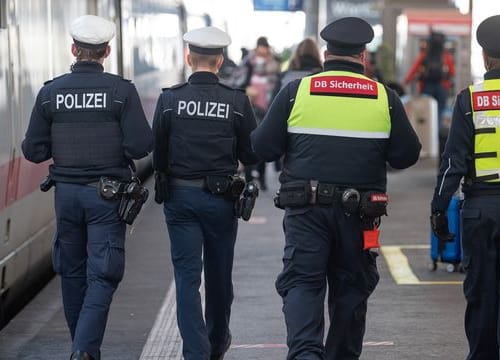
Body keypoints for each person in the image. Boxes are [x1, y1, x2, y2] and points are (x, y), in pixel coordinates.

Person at [251, 17, 421, 360]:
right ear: (363, 56)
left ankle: (305, 355)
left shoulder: (296, 92)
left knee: (302, 283)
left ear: (327, 53)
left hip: (306, 212)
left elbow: (263, 148)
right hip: (359, 216)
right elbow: (407, 155)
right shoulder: (382, 97)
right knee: (351, 290)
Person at [21, 15, 153, 360]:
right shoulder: (121, 91)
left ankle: (81, 347)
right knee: (103, 273)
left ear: (73, 50)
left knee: (71, 271)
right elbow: (140, 146)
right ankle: (84, 350)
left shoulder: (51, 92)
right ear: (107, 51)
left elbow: (33, 150)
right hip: (106, 197)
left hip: (66, 197)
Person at [431, 15, 500, 359]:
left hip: (478, 212)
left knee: (481, 295)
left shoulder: (470, 99)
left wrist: (439, 207)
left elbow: (453, 161)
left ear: (484, 56)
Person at [152, 26, 259, 360]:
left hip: (180, 200)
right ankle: (216, 341)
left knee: (186, 278)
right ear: (220, 60)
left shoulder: (169, 100)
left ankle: (195, 352)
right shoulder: (237, 102)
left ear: (188, 58)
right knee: (218, 275)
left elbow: (157, 153)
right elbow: (251, 153)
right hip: (221, 200)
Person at [241, 36, 280, 190]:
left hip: (267, 108)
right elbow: (239, 80)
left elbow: (277, 84)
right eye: (260, 47)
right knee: (248, 141)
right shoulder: (248, 62)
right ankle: (250, 176)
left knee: (262, 141)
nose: (262, 50)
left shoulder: (274, 63)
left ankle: (262, 178)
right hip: (250, 107)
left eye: (264, 47)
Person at [403, 31, 455, 122]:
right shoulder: (446, 55)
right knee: (439, 111)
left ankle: (426, 132)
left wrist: (406, 81)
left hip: (427, 86)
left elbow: (414, 69)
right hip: (442, 87)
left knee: (425, 111)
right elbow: (453, 72)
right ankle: (436, 131)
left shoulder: (424, 54)